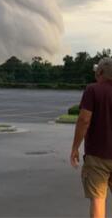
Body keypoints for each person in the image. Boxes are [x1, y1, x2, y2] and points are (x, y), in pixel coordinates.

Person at [70, 58, 112, 218]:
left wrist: (75, 148)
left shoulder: (92, 90)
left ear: (100, 72)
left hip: (97, 157)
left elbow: (84, 120)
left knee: (98, 200)